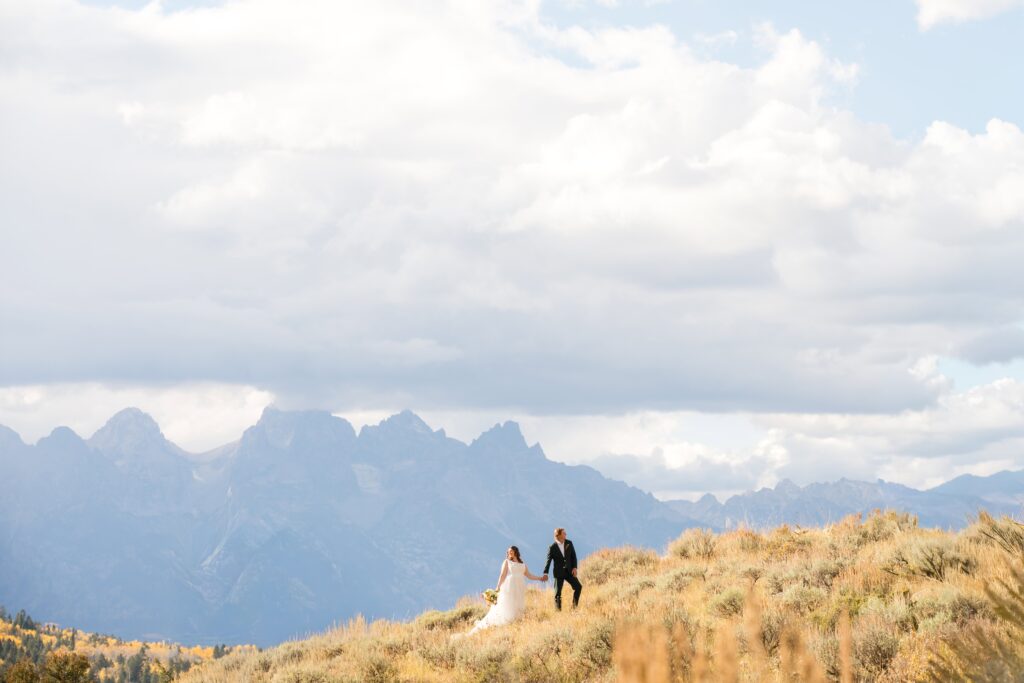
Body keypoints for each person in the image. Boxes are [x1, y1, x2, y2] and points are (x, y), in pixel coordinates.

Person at [460, 546, 547, 637]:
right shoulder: (507, 562)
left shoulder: (523, 565)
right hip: (510, 586)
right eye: (508, 552)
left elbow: (529, 575)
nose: (510, 553)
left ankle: (516, 621)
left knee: (518, 604)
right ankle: (506, 622)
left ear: (516, 551)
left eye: (511, 551)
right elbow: (502, 575)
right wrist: (498, 586)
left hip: (519, 587)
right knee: (508, 604)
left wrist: (540, 578)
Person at [542, 527, 582, 610]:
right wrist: (545, 573)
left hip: (569, 571)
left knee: (578, 587)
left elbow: (573, 556)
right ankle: (558, 612)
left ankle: (574, 608)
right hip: (558, 573)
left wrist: (574, 567)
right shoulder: (552, 547)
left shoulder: (569, 543)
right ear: (559, 535)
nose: (566, 534)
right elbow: (548, 561)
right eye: (564, 533)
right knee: (558, 593)